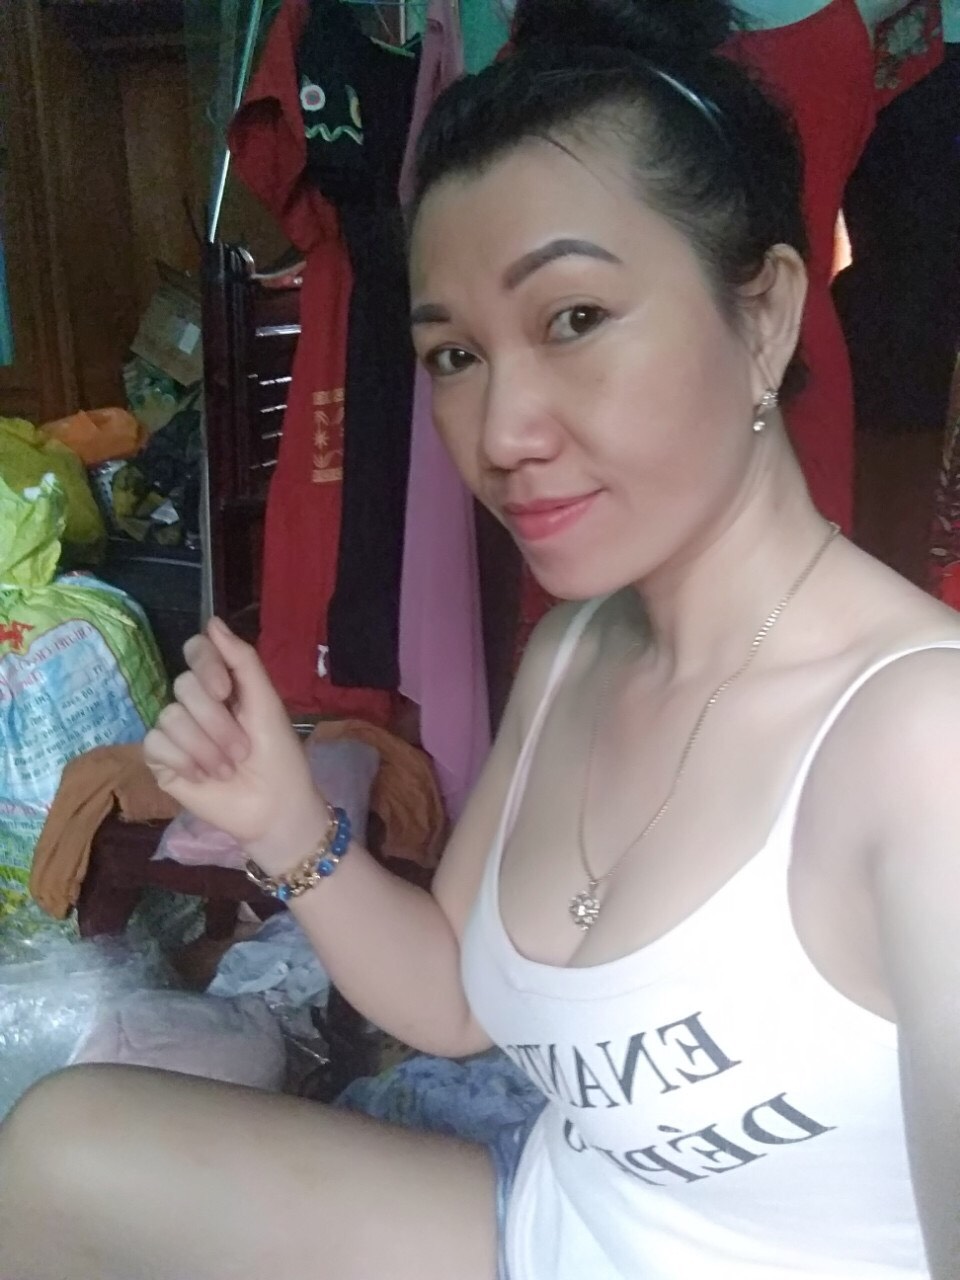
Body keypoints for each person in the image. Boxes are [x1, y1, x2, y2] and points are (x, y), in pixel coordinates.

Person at [1, 1, 958, 1276]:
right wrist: (285, 822)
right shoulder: (575, 653)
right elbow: (456, 998)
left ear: (767, 314)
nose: (502, 431)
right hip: (546, 1227)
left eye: (574, 318)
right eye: (454, 353)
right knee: (60, 1146)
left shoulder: (921, 743)